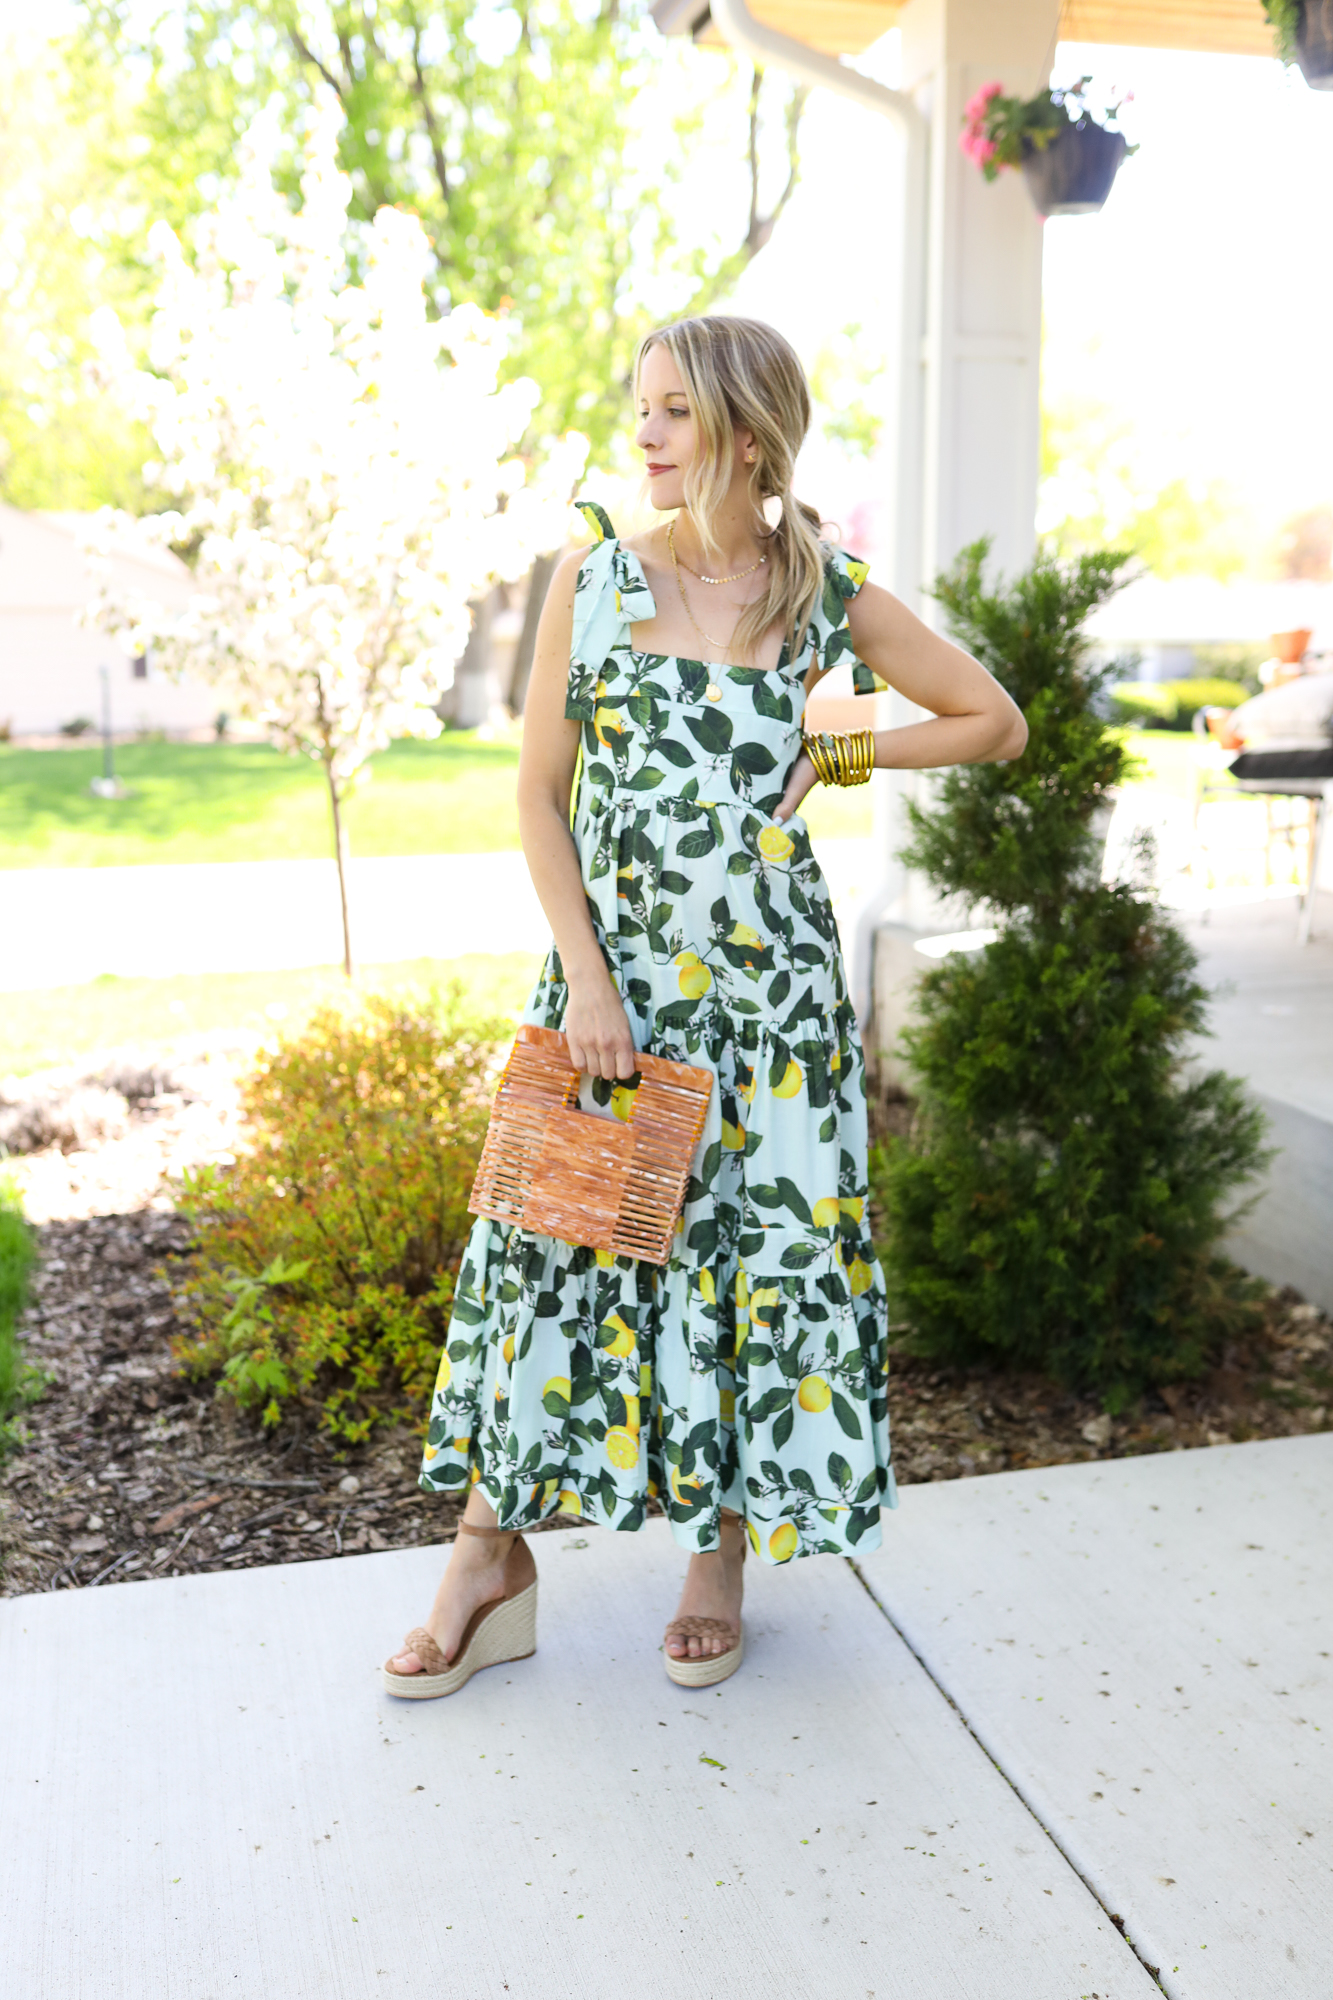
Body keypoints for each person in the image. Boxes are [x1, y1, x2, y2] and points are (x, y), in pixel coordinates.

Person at [383, 313, 1026, 1697]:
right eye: (640, 408)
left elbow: (989, 716)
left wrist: (840, 745)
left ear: (744, 430)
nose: (645, 435)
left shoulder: (824, 595)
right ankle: (484, 1558)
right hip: (610, 1000)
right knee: (554, 1258)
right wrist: (591, 985)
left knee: (745, 1267)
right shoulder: (594, 581)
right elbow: (536, 804)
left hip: (774, 1011)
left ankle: (715, 1552)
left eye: (670, 412)